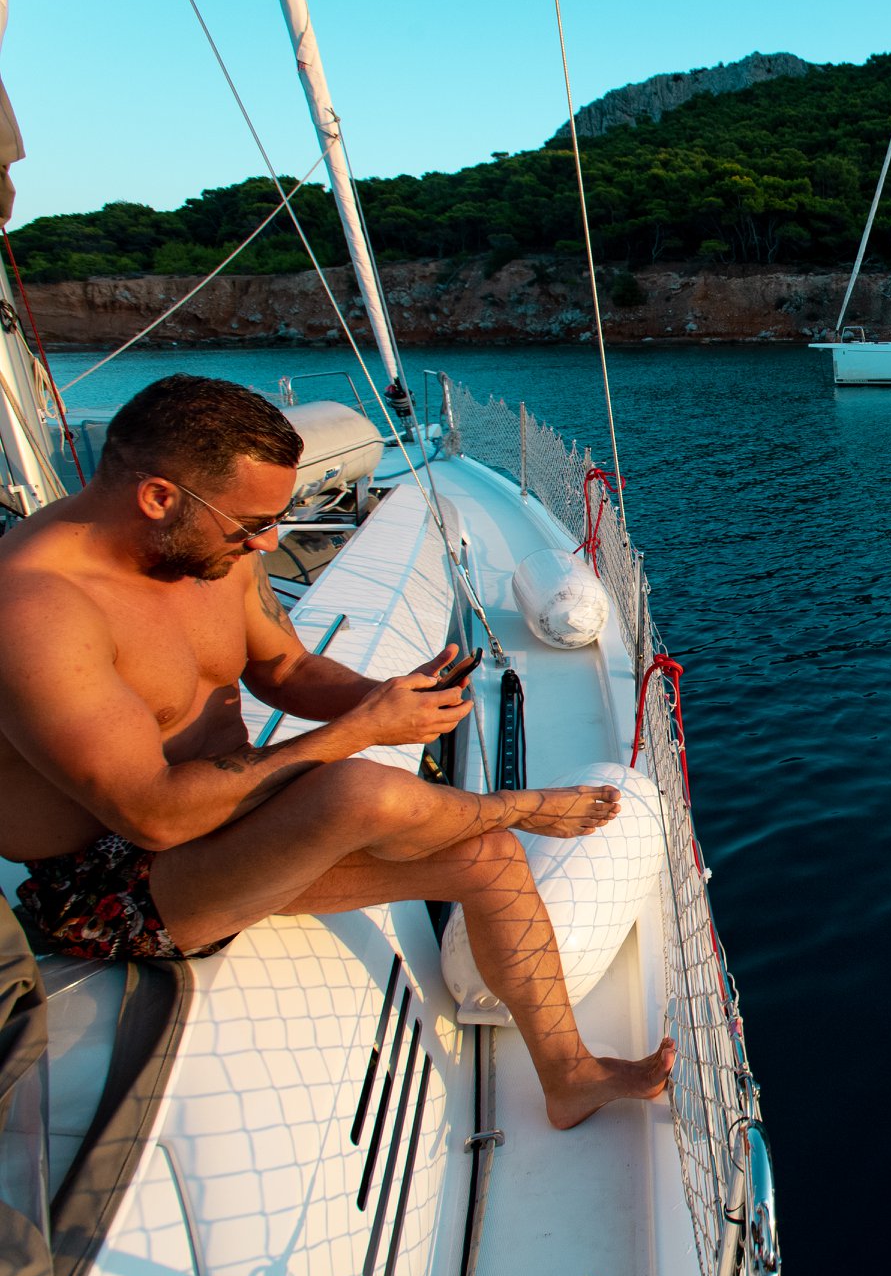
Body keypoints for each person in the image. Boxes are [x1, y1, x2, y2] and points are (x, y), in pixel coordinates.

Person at [0, 374, 672, 1129]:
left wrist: (389, 697)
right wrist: (362, 730)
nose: (266, 543)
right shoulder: (32, 611)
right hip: (113, 882)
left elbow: (285, 668)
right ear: (158, 497)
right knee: (358, 789)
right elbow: (151, 815)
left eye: (275, 520)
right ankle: (518, 807)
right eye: (252, 523)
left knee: (490, 861)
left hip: (225, 826)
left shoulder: (209, 546)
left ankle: (570, 1075)